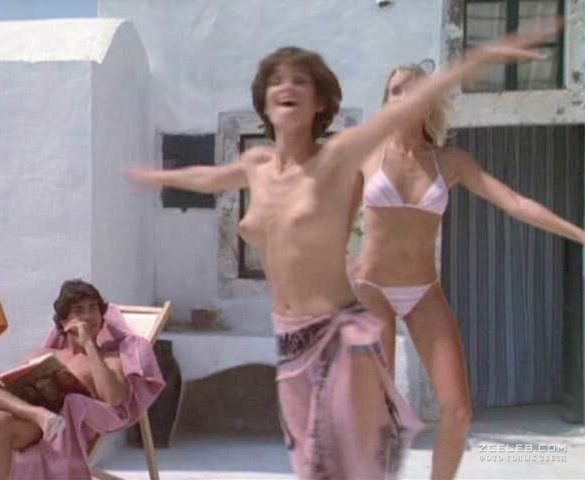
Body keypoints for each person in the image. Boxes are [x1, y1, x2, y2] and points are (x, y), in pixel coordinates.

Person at [128, 24, 557, 479]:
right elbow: (209, 178)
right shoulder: (257, 165)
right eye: (277, 81)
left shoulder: (341, 156)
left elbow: (415, 123)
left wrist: (482, 57)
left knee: (358, 445)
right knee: (317, 464)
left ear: (319, 102)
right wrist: (157, 178)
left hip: (343, 324)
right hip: (293, 339)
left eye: (300, 81)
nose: (287, 87)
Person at [353, 57, 583, 479]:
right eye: (396, 90)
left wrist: (580, 234)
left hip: (423, 291)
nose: (404, 97)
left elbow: (515, 203)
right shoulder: (366, 155)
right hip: (372, 289)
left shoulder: (450, 161)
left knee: (459, 413)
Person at [0, 279, 127, 480]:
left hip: (48, 432)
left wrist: (89, 346)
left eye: (94, 309)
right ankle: (36, 413)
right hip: (19, 416)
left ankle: (39, 416)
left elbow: (114, 399)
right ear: (64, 322)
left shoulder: (109, 360)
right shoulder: (43, 355)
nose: (88, 316)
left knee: (1, 420)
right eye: (79, 310)